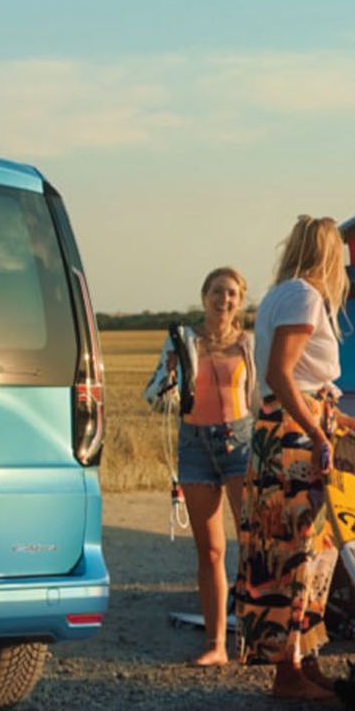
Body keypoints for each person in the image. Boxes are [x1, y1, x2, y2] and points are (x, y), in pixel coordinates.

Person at [232, 216, 355, 700]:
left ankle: (303, 661)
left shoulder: (279, 295)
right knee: (297, 549)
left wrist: (339, 418)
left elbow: (298, 379)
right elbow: (282, 374)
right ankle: (287, 674)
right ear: (329, 253)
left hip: (288, 427)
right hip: (293, 437)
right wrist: (317, 431)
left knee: (311, 551)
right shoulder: (305, 296)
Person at [146, 267, 255, 666]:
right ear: (203, 295)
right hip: (194, 445)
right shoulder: (182, 339)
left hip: (239, 443)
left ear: (239, 302)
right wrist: (169, 374)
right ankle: (217, 644)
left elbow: (258, 399)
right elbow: (155, 397)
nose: (223, 300)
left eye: (231, 294)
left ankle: (256, 638)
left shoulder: (248, 344)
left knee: (252, 543)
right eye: (216, 292)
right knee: (209, 551)